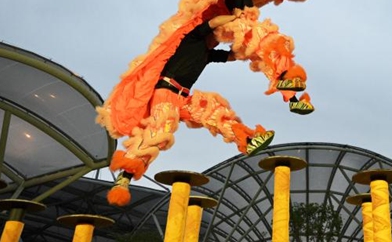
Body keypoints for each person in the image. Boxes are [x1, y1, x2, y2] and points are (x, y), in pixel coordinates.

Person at [107, 14, 274, 206]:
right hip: (166, 92)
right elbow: (212, 22)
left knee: (212, 111)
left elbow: (232, 55)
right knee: (160, 132)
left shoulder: (207, 53)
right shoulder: (193, 38)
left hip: (183, 97)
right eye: (218, 35)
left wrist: (256, 47)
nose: (219, 38)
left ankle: (247, 140)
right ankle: (125, 176)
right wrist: (234, 17)